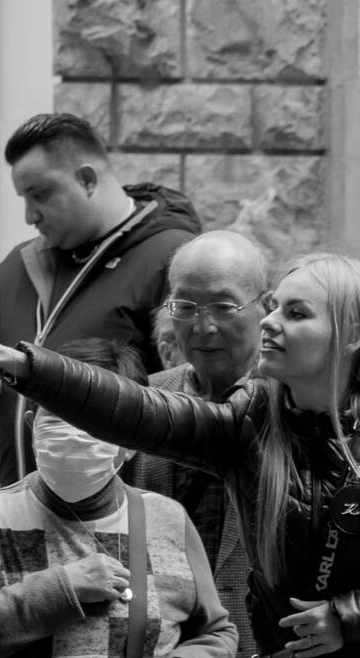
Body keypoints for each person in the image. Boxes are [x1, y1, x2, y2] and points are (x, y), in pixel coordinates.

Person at [0, 252, 360, 657]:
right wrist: (22, 366)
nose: (269, 322)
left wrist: (349, 618)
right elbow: (135, 410)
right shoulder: (249, 423)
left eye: (296, 313)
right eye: (272, 307)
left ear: (352, 335)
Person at [0, 338, 236, 657]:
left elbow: (215, 633)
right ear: (31, 426)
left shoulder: (168, 519)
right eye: (58, 414)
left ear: (133, 440)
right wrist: (63, 589)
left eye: (94, 420)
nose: (74, 430)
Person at [0, 112, 201, 487]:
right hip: (15, 509)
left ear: (86, 179)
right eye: (23, 198)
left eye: (40, 194)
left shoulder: (172, 259)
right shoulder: (16, 268)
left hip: (114, 518)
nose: (29, 214)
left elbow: (186, 401)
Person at [120, 230, 268, 657]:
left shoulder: (296, 409)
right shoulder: (144, 402)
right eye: (185, 307)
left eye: (224, 306)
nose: (203, 327)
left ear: (265, 306)